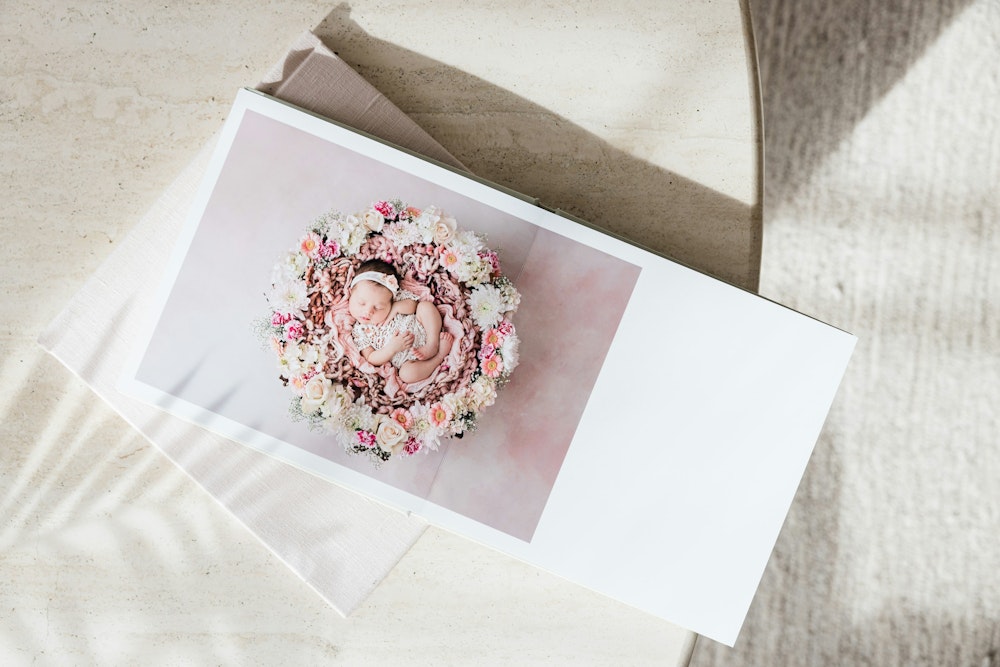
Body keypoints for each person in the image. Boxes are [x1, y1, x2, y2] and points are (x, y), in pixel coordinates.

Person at [348, 259, 454, 383]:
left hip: (422, 328)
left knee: (425, 307)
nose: (368, 311)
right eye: (361, 303)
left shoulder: (395, 301)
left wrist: (395, 309)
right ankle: (439, 356)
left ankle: (432, 344)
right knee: (407, 375)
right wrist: (392, 348)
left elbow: (413, 305)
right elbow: (371, 357)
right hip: (407, 360)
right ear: (351, 293)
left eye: (378, 307)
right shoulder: (359, 330)